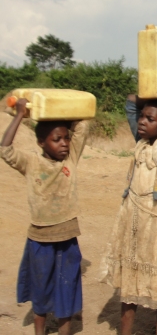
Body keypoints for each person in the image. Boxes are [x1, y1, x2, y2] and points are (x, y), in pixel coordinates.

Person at [100, 34, 157, 335]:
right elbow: (130, 104)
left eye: (149, 119)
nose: (141, 121)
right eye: (142, 117)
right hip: (135, 220)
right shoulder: (141, 141)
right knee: (130, 281)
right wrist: (152, 78)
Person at [0, 99, 89, 335]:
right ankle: (39, 331)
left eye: (66, 138)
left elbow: (82, 126)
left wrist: (61, 108)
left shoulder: (71, 159)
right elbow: (5, 149)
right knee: (40, 286)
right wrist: (20, 115)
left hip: (68, 236)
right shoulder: (31, 162)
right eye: (56, 139)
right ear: (41, 142)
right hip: (40, 238)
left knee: (66, 285)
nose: (64, 144)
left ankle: (64, 330)